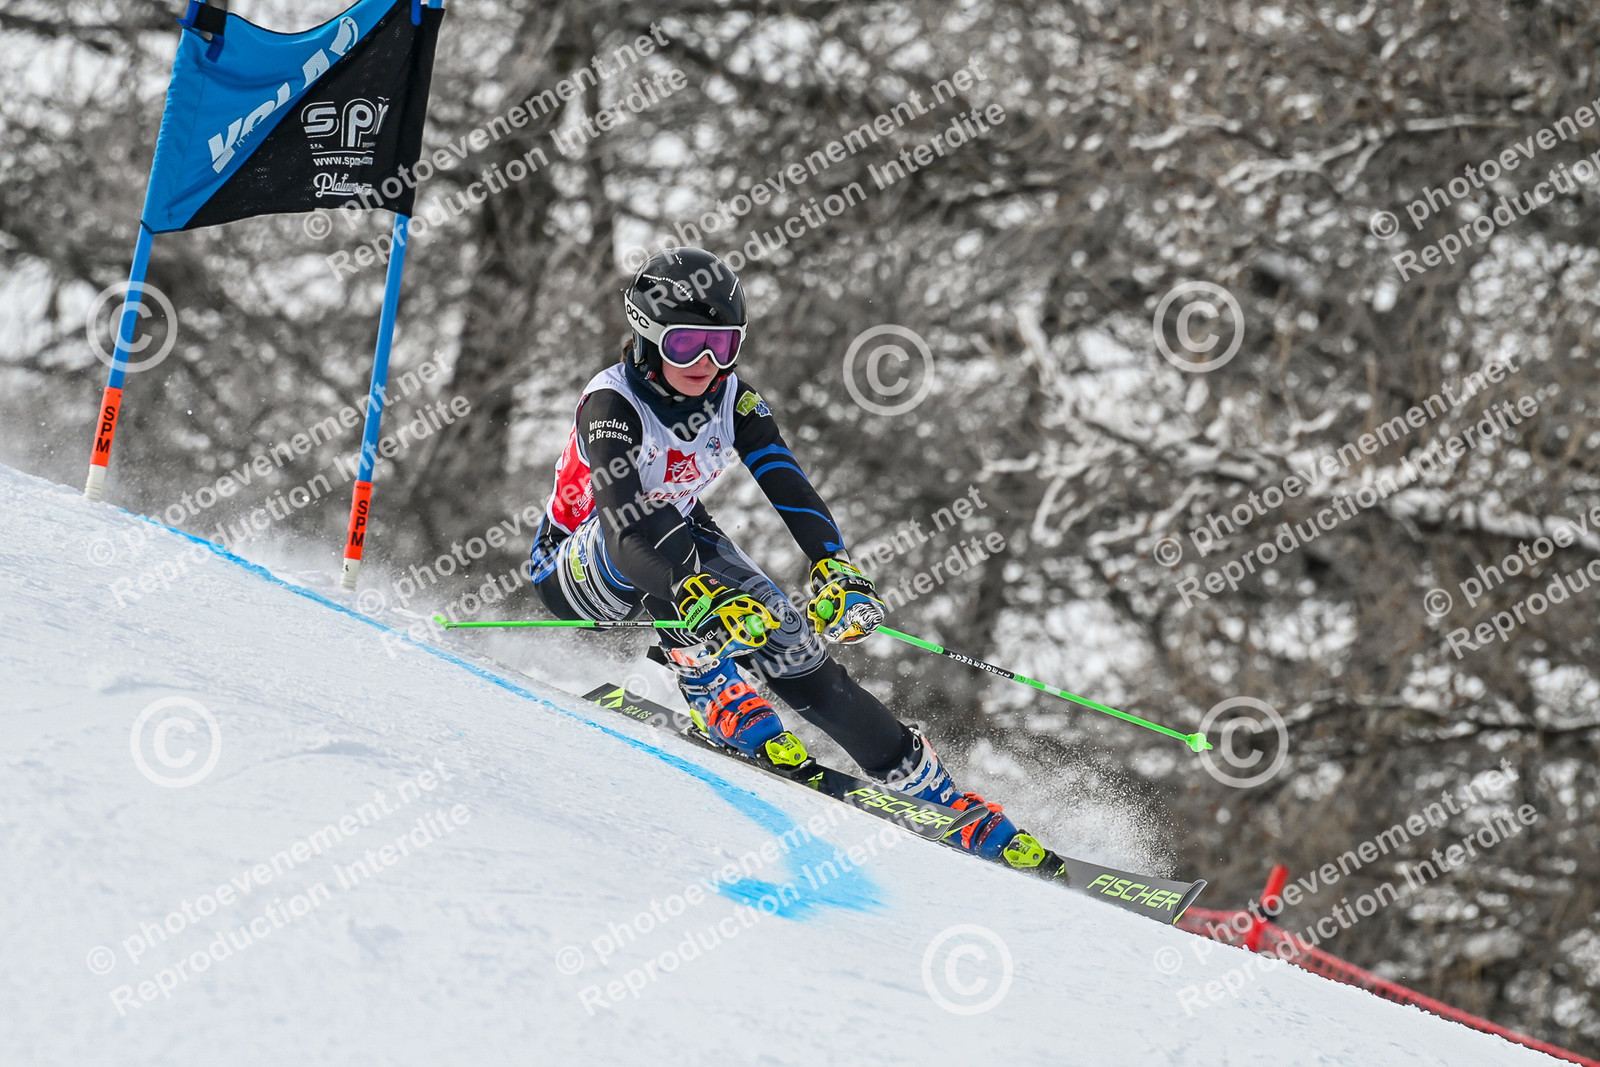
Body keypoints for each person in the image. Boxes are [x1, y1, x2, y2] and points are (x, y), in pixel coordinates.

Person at [530, 247, 1047, 872]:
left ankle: (930, 791)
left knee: (795, 648)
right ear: (647, 335)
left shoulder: (733, 400)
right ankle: (705, 680)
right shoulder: (612, 406)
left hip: (678, 549)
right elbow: (622, 528)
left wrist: (834, 566)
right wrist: (693, 594)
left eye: (723, 346)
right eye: (687, 344)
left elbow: (788, 485)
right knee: (665, 525)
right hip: (582, 566)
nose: (705, 363)